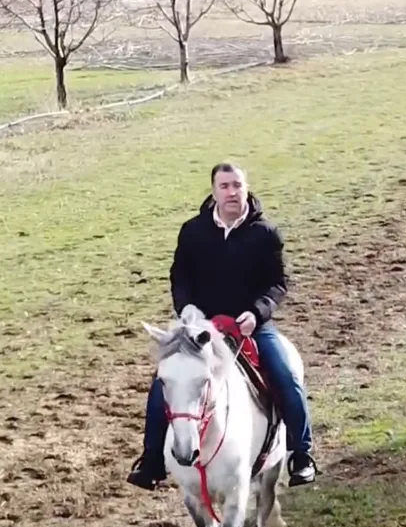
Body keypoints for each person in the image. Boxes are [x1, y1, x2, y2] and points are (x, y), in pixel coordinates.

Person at [127, 161, 317, 491]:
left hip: (250, 327)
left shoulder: (266, 234)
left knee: (285, 375)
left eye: (237, 185)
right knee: (163, 384)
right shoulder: (192, 231)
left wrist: (257, 313)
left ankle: (301, 454)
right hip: (200, 329)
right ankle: (152, 461)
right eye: (225, 186)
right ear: (214, 192)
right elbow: (180, 276)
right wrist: (186, 307)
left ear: (246, 189)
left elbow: (277, 285)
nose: (232, 192)